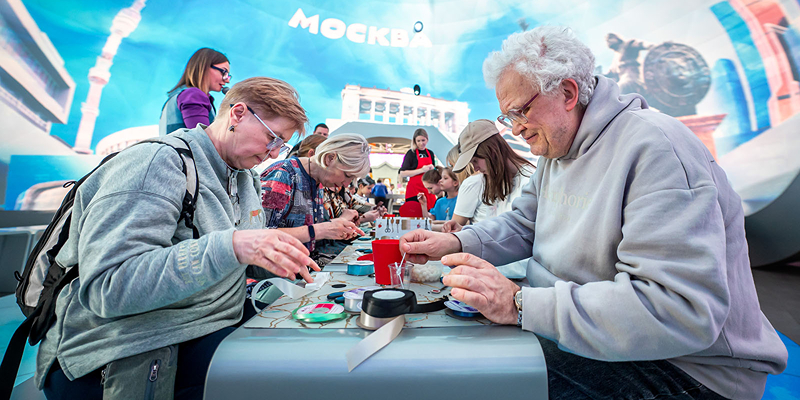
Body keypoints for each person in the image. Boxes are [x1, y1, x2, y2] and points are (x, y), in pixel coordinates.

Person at [400, 26, 787, 400]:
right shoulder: (557, 146)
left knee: (479, 380)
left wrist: (519, 303)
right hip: (603, 336)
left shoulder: (655, 148)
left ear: (568, 92)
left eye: (520, 111)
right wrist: (453, 241)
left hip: (689, 369)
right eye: (508, 117)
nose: (516, 129)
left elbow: (677, 310)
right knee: (465, 362)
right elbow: (525, 224)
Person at [39, 77, 319, 399]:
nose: (272, 154)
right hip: (133, 345)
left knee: (308, 349)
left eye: (280, 145)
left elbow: (231, 260)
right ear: (238, 114)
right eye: (272, 138)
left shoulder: (246, 179)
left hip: (209, 321)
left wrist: (278, 260)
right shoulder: (157, 163)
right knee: (291, 374)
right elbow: (108, 288)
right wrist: (233, 245)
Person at [259, 134, 371, 254]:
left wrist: (336, 227)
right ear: (329, 158)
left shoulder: (319, 181)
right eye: (347, 176)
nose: (346, 184)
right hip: (274, 271)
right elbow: (258, 236)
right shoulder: (283, 175)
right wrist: (320, 230)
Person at [443, 119, 534, 233]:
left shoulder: (530, 180)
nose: (475, 168)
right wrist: (465, 230)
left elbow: (520, 234)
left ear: (492, 151)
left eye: (475, 161)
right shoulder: (491, 181)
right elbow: (496, 230)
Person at [160, 48, 231, 136]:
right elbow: (203, 139)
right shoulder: (194, 95)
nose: (227, 80)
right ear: (204, 67)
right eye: (224, 72)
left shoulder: (177, 96)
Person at [398, 128, 437, 215]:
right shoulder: (411, 153)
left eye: (423, 140)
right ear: (414, 141)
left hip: (428, 190)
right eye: (418, 141)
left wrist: (432, 168)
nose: (421, 143)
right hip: (414, 191)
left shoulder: (430, 153)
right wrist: (421, 170)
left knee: (430, 216)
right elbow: (402, 173)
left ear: (427, 139)